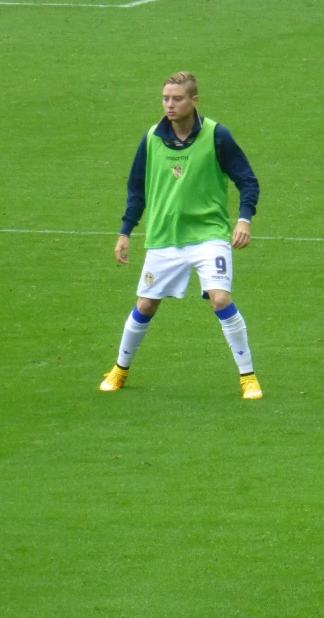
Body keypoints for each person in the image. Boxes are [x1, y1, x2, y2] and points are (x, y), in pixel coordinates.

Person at [100, 71, 263, 399]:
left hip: (208, 235)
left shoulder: (217, 136)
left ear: (194, 101)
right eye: (165, 98)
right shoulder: (151, 138)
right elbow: (137, 188)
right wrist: (125, 231)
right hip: (165, 238)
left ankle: (248, 377)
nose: (169, 105)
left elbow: (247, 179)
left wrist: (244, 219)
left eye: (177, 99)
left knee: (220, 298)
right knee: (145, 304)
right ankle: (119, 369)